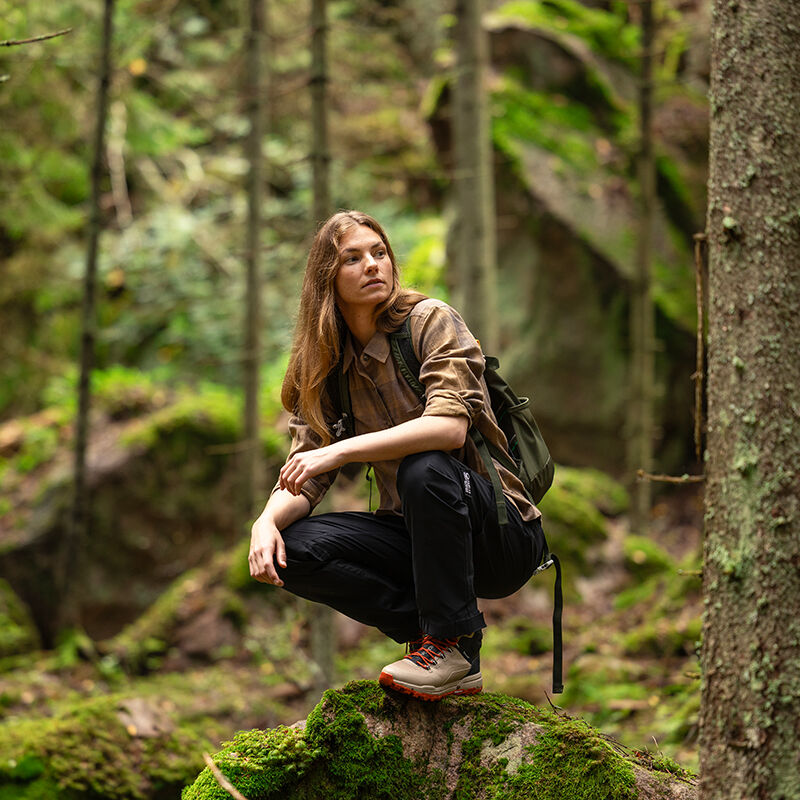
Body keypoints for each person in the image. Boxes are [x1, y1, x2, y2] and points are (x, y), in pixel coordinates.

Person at [248, 210, 546, 701]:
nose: (372, 265)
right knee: (293, 548)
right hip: (417, 539)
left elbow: (448, 428)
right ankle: (432, 634)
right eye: (353, 258)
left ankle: (454, 644)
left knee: (424, 467)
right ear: (327, 279)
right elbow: (304, 473)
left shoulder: (430, 321)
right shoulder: (323, 367)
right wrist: (264, 523)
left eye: (379, 253)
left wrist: (339, 451)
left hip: (498, 531)